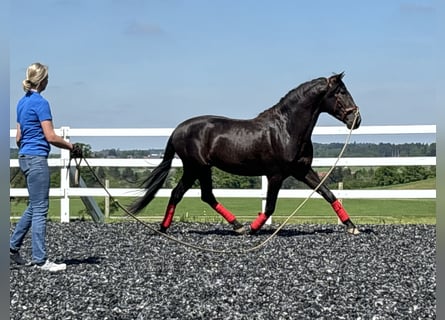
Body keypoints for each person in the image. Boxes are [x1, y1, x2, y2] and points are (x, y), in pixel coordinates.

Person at [9, 62, 83, 272]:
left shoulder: (22, 103)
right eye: (47, 78)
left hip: (24, 156)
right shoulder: (41, 103)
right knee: (41, 209)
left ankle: (12, 249)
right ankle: (41, 259)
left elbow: (18, 137)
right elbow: (50, 136)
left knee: (34, 206)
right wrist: (71, 146)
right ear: (42, 80)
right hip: (37, 159)